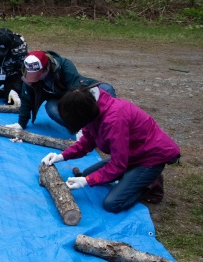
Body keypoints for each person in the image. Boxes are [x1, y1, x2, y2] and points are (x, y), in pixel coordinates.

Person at [41, 86, 180, 213]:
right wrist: (61, 156)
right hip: (131, 155)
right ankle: (133, 176)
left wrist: (88, 181)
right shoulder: (90, 109)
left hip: (150, 157)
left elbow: (118, 165)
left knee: (112, 203)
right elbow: (86, 142)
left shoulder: (114, 120)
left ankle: (147, 185)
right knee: (87, 174)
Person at [6, 50, 116, 131]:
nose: (36, 79)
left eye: (39, 74)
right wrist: (21, 123)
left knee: (107, 89)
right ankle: (82, 130)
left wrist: (77, 114)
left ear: (47, 67)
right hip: (57, 100)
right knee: (51, 108)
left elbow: (77, 92)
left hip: (75, 94)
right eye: (32, 75)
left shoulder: (65, 65)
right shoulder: (29, 76)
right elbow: (26, 98)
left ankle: (108, 126)